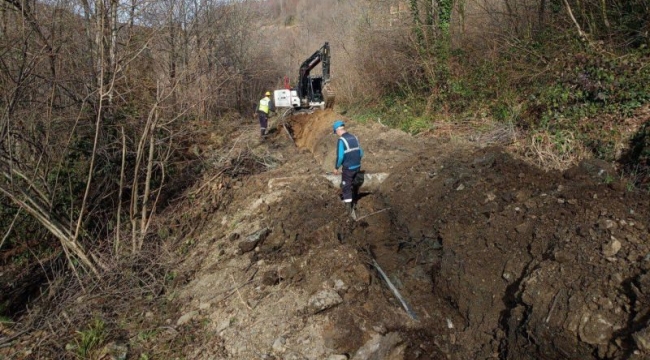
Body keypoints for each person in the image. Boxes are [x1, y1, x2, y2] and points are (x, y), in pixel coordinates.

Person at [332, 120, 363, 217]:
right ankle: (354, 201)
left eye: (336, 132)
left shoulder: (341, 140)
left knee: (346, 188)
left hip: (348, 168)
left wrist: (336, 168)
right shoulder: (354, 137)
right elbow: (361, 153)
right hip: (357, 166)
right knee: (354, 184)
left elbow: (340, 156)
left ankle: (349, 211)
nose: (336, 134)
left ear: (337, 130)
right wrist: (356, 161)